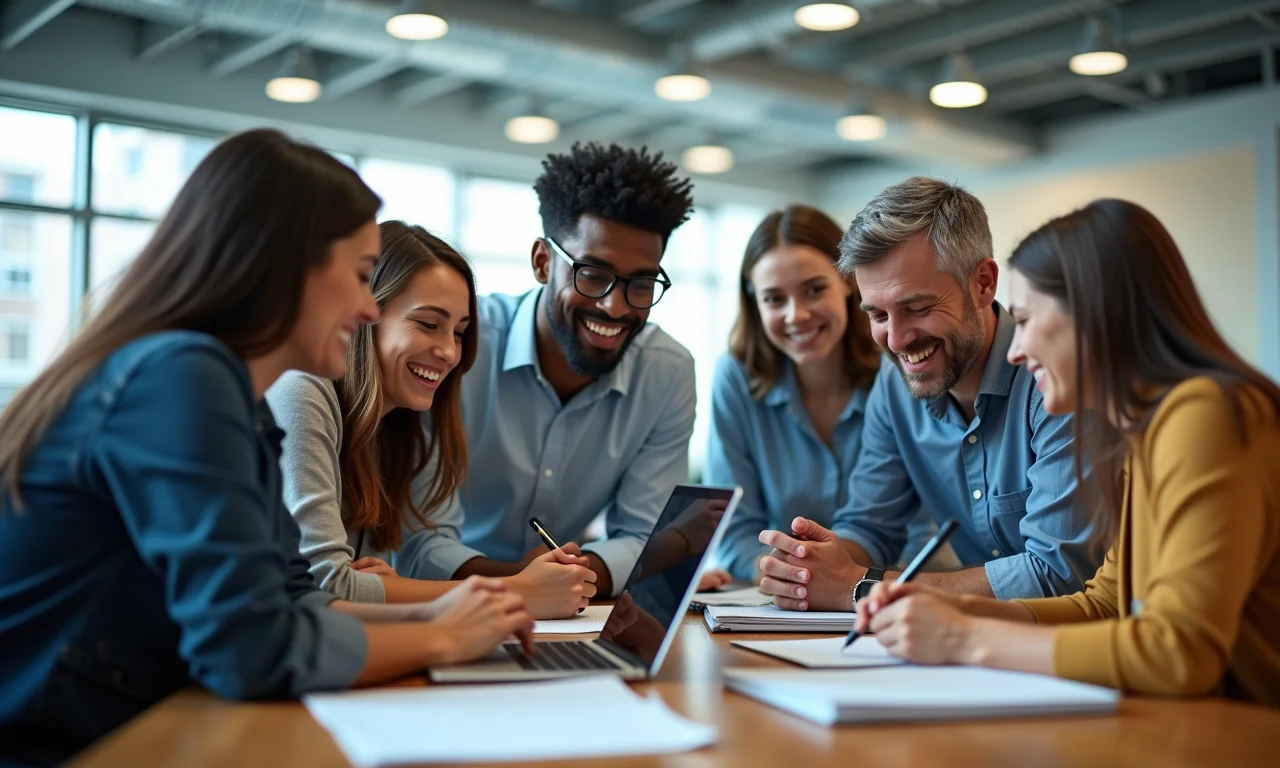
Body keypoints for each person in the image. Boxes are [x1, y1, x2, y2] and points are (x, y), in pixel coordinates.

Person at [0, 130, 532, 766]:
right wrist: (442, 636)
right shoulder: (182, 377)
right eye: (363, 276)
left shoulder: (236, 397)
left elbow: (294, 595)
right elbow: (249, 647)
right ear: (285, 266)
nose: (368, 309)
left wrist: (439, 618)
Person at [855, 199, 1280, 706]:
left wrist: (964, 639)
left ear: (1098, 316)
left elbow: (1178, 651)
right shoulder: (1146, 431)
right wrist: (956, 610)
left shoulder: (1204, 412)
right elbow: (1104, 603)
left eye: (1027, 320)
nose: (1014, 350)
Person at [757, 176, 1098, 612]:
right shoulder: (894, 381)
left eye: (917, 307)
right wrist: (810, 566)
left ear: (983, 284)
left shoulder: (1057, 374)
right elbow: (871, 527)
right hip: (977, 648)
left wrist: (858, 585)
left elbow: (1059, 572)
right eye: (877, 314)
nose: (896, 341)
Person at [402, 142, 700, 598]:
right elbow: (419, 542)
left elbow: (643, 538)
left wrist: (562, 580)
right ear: (543, 261)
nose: (614, 306)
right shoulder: (456, 347)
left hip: (568, 608)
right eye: (592, 274)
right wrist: (525, 585)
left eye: (640, 284)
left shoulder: (666, 371)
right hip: (435, 607)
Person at [267, 222, 595, 618]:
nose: (449, 352)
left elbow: (356, 590)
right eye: (428, 324)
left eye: (459, 332)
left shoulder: (395, 427)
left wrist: (381, 589)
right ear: (365, 314)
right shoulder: (302, 390)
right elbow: (324, 589)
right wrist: (516, 591)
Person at [706, 205, 941, 582]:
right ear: (754, 303)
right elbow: (734, 532)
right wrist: (792, 577)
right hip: (780, 599)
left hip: (896, 590)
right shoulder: (736, 379)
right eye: (773, 299)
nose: (795, 315)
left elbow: (919, 529)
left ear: (848, 281)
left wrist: (850, 584)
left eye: (814, 290)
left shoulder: (903, 371)